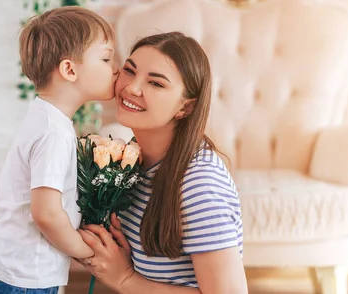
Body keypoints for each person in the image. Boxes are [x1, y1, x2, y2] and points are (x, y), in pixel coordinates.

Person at [78, 32, 248, 294]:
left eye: (156, 84)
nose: (132, 88)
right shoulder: (134, 162)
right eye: (129, 71)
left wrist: (124, 279)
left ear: (186, 107)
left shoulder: (199, 186)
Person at [0, 6, 118, 294]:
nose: (115, 68)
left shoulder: (49, 119)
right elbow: (47, 214)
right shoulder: (54, 132)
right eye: (105, 58)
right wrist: (85, 251)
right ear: (69, 69)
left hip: (16, 270)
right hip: (23, 278)